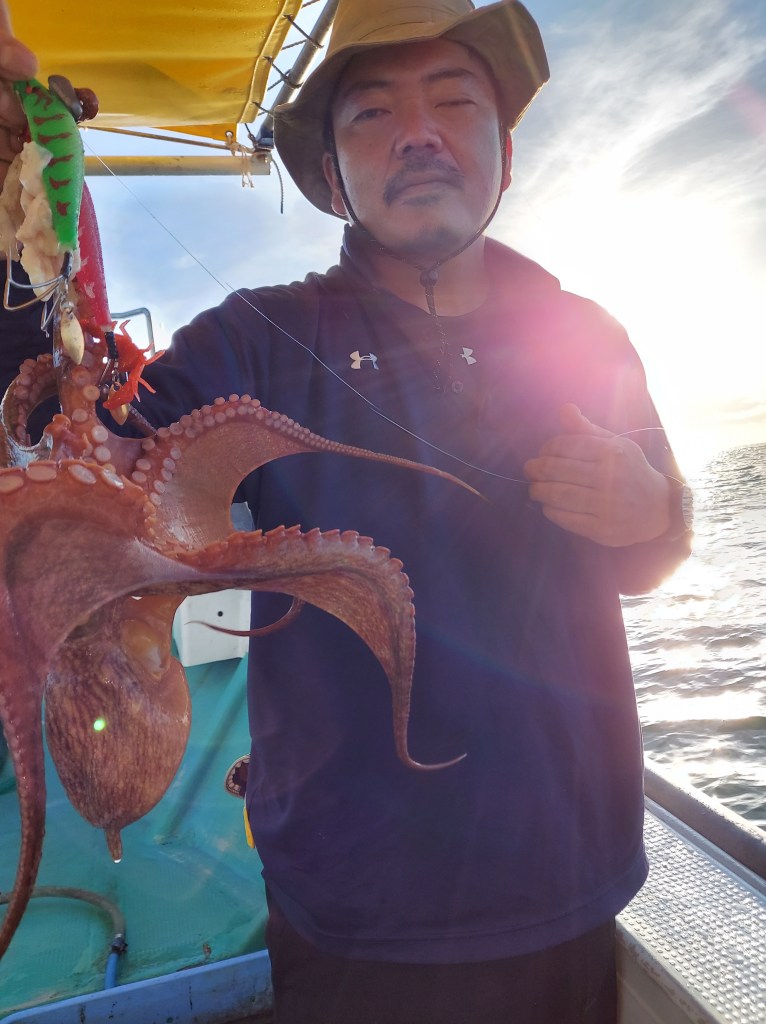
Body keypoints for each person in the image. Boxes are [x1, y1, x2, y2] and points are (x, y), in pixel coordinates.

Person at [0, 1, 693, 1021]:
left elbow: (654, 555)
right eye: (372, 112)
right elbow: (78, 440)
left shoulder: (586, 336)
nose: (418, 133)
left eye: (454, 102)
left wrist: (657, 511)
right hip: (351, 905)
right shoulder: (254, 339)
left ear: (505, 155)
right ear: (331, 174)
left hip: (569, 878)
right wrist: (18, 217)